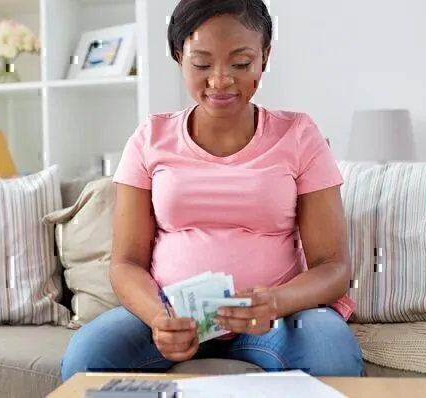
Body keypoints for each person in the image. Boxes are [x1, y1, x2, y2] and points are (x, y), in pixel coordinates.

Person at [60, 0, 364, 380]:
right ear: (178, 57)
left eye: (240, 63)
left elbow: (333, 267)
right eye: (202, 64)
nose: (220, 80)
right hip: (171, 314)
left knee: (332, 354)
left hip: (279, 318)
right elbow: (125, 264)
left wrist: (276, 301)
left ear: (265, 57)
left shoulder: (299, 135)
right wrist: (160, 319)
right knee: (87, 357)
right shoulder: (149, 138)